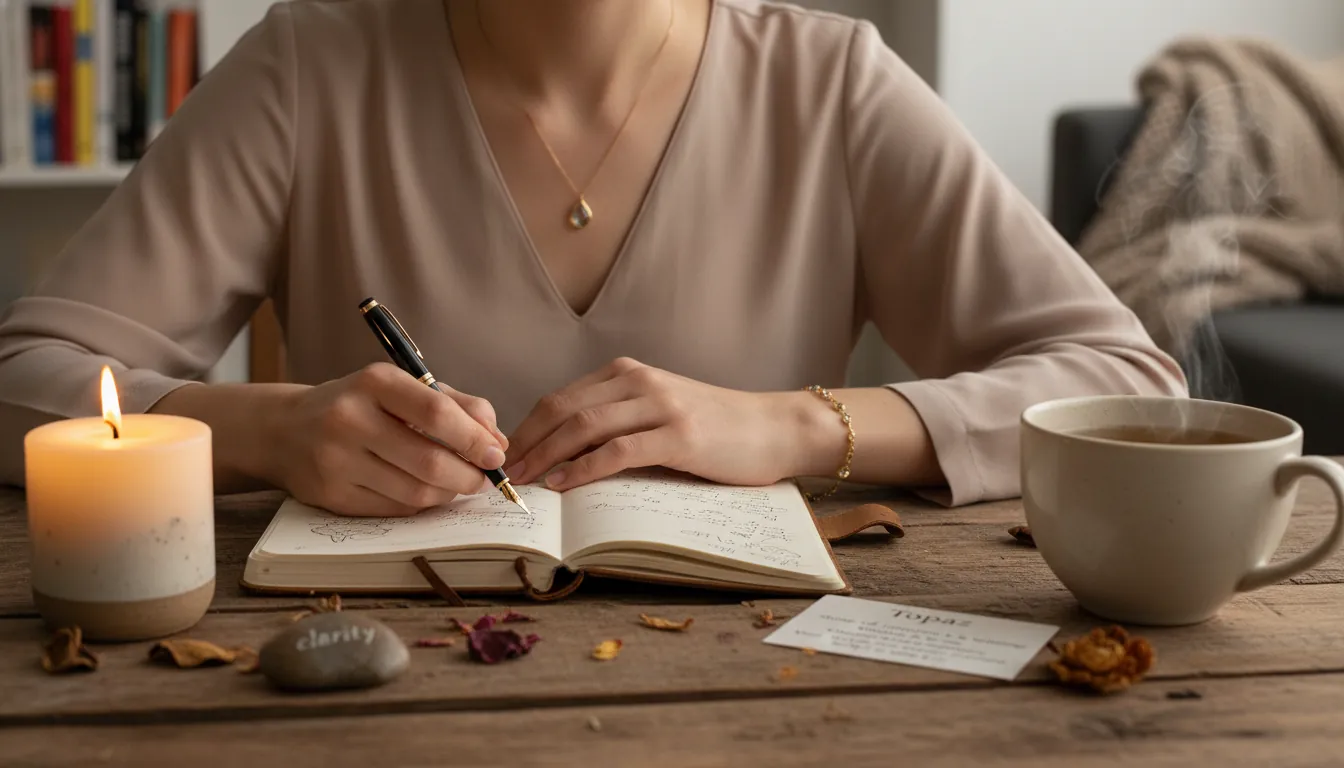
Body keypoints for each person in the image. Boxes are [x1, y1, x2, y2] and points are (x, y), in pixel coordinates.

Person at [0, 0, 1187, 517]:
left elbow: (1125, 387)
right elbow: (28, 375)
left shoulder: (832, 84)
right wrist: (271, 431)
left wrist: (794, 426)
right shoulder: (305, 69)